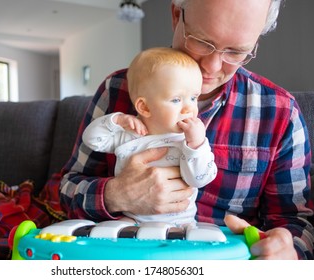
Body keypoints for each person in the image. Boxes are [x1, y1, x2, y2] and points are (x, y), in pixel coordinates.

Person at [55, 0, 314, 259]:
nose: (211, 68)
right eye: (202, 41)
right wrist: (116, 195)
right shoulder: (119, 89)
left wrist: (288, 250)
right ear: (176, 15)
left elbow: (294, 220)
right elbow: (66, 191)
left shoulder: (280, 112)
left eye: (236, 52)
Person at [82, 47, 217, 226]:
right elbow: (92, 140)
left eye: (193, 98)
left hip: (180, 223)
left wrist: (197, 145)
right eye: (176, 100)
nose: (189, 109)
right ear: (144, 108)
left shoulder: (188, 142)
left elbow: (199, 179)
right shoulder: (130, 135)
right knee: (108, 232)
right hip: (133, 222)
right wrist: (117, 121)